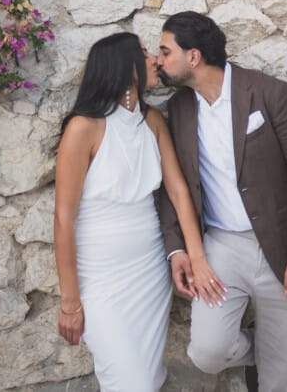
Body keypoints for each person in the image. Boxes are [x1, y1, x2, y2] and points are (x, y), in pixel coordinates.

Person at [155, 11, 287, 392]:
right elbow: (173, 186)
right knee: (208, 352)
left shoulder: (270, 93)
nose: (159, 61)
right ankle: (259, 347)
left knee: (277, 380)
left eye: (166, 52)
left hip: (280, 246)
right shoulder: (179, 108)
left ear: (193, 56)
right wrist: (176, 249)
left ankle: (272, 355)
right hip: (220, 247)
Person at [53, 31, 226, 392]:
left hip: (149, 271)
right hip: (100, 276)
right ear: (124, 66)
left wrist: (196, 257)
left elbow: (178, 192)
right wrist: (70, 301)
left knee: (147, 378)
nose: (154, 60)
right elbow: (64, 218)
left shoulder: (152, 122)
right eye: (145, 53)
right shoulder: (83, 128)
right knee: (129, 381)